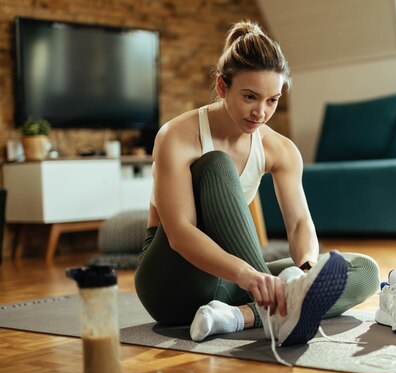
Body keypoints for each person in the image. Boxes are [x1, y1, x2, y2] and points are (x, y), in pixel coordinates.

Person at [134, 20, 380, 348]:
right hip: (171, 283)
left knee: (364, 270)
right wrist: (252, 277)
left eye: (272, 100)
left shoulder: (280, 149)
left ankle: (242, 316)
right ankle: (272, 306)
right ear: (222, 87)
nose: (261, 112)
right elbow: (179, 234)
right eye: (250, 97)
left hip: (234, 284)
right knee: (216, 164)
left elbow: (298, 224)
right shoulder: (177, 136)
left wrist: (306, 268)